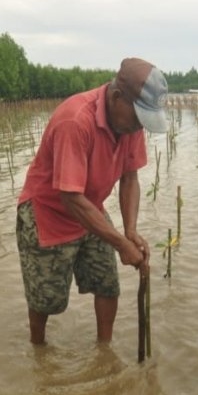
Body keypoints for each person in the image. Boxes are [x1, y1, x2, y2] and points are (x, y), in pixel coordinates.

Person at [16, 57, 168, 345]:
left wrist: (130, 231)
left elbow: (130, 178)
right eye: (138, 117)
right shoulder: (75, 120)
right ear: (116, 97)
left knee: (107, 283)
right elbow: (70, 197)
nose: (140, 127)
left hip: (89, 208)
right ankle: (38, 350)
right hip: (48, 213)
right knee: (45, 299)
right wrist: (120, 244)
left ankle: (104, 350)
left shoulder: (130, 126)